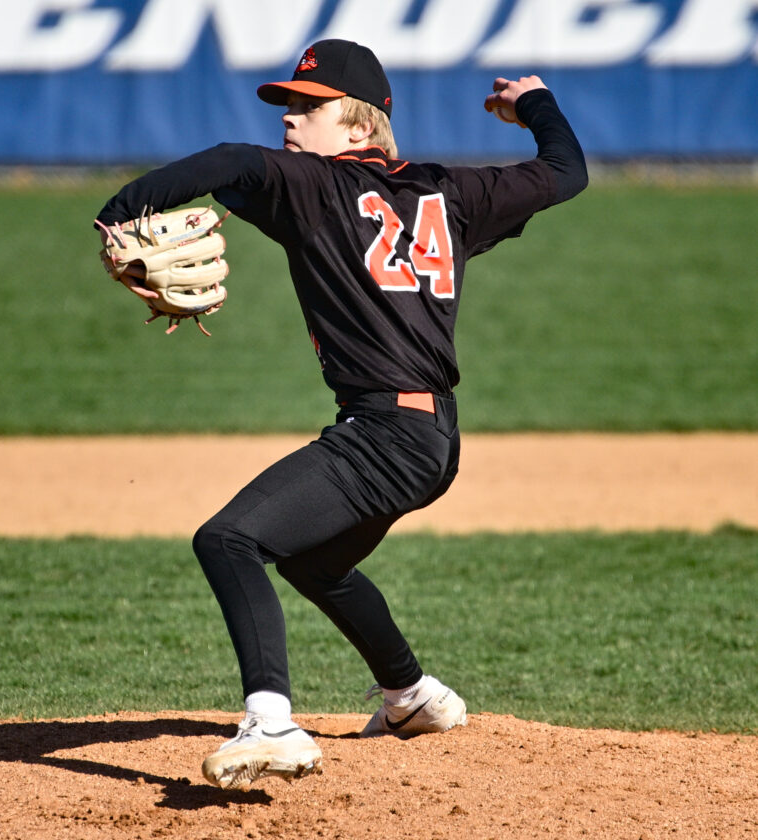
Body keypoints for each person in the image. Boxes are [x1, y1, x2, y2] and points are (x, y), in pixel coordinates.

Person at [96, 39, 587, 790]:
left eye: (308, 106)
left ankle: (271, 723)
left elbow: (230, 161)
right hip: (434, 438)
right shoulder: (451, 193)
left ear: (359, 126)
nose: (289, 119)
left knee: (228, 540)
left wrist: (117, 216)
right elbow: (566, 171)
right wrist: (534, 105)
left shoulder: (315, 187)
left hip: (385, 435)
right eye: (288, 105)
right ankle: (413, 697)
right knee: (313, 562)